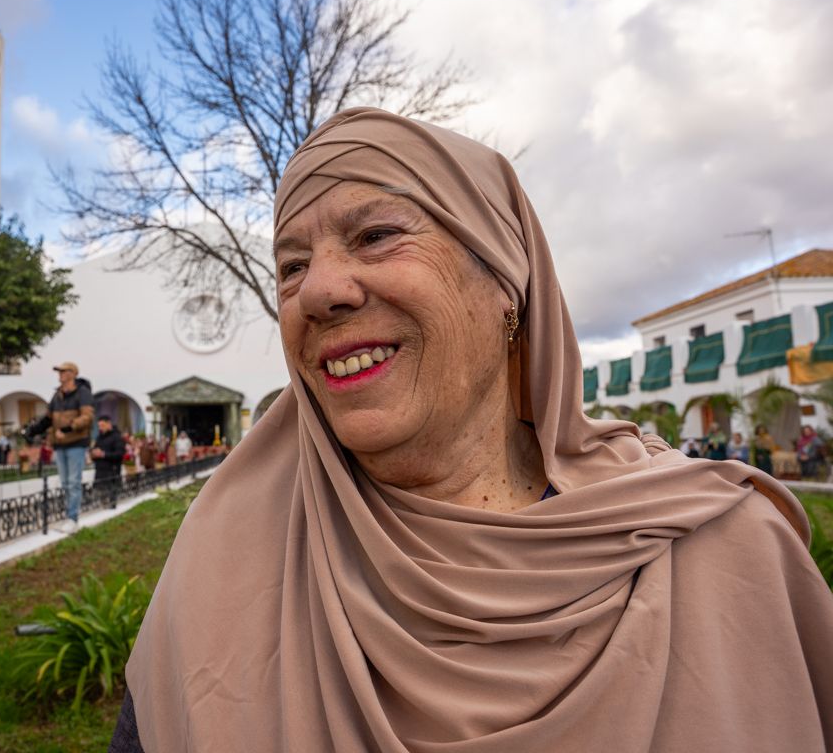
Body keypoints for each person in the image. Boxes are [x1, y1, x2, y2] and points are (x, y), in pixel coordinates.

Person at [113, 109, 833, 751]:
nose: (319, 290)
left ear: (506, 283)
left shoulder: (724, 551)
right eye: (291, 265)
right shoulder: (224, 563)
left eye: (376, 235)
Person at [23, 362, 94, 533]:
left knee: (73, 482)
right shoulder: (57, 396)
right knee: (64, 482)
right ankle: (68, 517)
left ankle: (72, 519)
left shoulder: (83, 393)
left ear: (73, 373)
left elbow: (87, 417)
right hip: (60, 445)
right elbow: (48, 419)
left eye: (63, 371)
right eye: (59, 371)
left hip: (76, 443)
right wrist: (32, 431)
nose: (60, 374)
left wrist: (68, 428)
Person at [91, 415, 126, 491]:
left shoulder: (117, 437)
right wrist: (93, 454)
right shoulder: (99, 437)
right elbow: (95, 449)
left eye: (102, 425)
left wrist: (103, 454)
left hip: (112, 472)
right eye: (99, 426)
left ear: (109, 423)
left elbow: (119, 454)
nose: (100, 428)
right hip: (99, 472)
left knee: (111, 497)